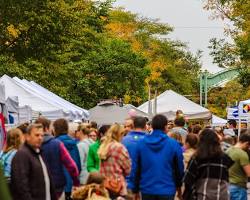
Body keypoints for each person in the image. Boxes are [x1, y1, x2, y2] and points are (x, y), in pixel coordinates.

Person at [130, 114, 184, 200]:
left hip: (147, 189)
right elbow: (179, 168)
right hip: (167, 189)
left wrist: (135, 189)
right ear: (165, 127)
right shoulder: (173, 144)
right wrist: (179, 187)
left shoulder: (141, 143)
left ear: (151, 126)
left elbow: (136, 168)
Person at [35, 117, 80, 199]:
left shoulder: (32, 145)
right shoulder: (60, 144)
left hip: (40, 186)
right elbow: (74, 165)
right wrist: (76, 182)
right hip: (61, 185)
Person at [183, 129, 233, 200]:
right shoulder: (225, 158)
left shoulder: (197, 158)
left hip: (202, 195)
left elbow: (188, 180)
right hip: (221, 195)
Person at [11, 123, 56, 200]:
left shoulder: (38, 153)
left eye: (42, 135)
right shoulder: (22, 154)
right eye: (37, 135)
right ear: (27, 137)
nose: (40, 138)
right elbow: (21, 185)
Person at [98, 123, 131, 198]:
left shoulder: (104, 145)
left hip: (104, 183)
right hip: (116, 185)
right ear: (120, 134)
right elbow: (128, 169)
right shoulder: (119, 147)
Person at [53, 118, 81, 200]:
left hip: (59, 185)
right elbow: (77, 165)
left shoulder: (54, 144)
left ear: (55, 129)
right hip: (72, 182)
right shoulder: (74, 144)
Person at [122, 116, 147, 197]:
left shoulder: (123, 140)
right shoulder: (150, 140)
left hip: (127, 182)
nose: (126, 128)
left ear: (133, 126)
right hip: (145, 183)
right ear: (145, 126)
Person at [226, 130, 250, 200]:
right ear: (247, 143)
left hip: (227, 186)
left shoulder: (228, 150)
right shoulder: (242, 154)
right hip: (238, 188)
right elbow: (249, 173)